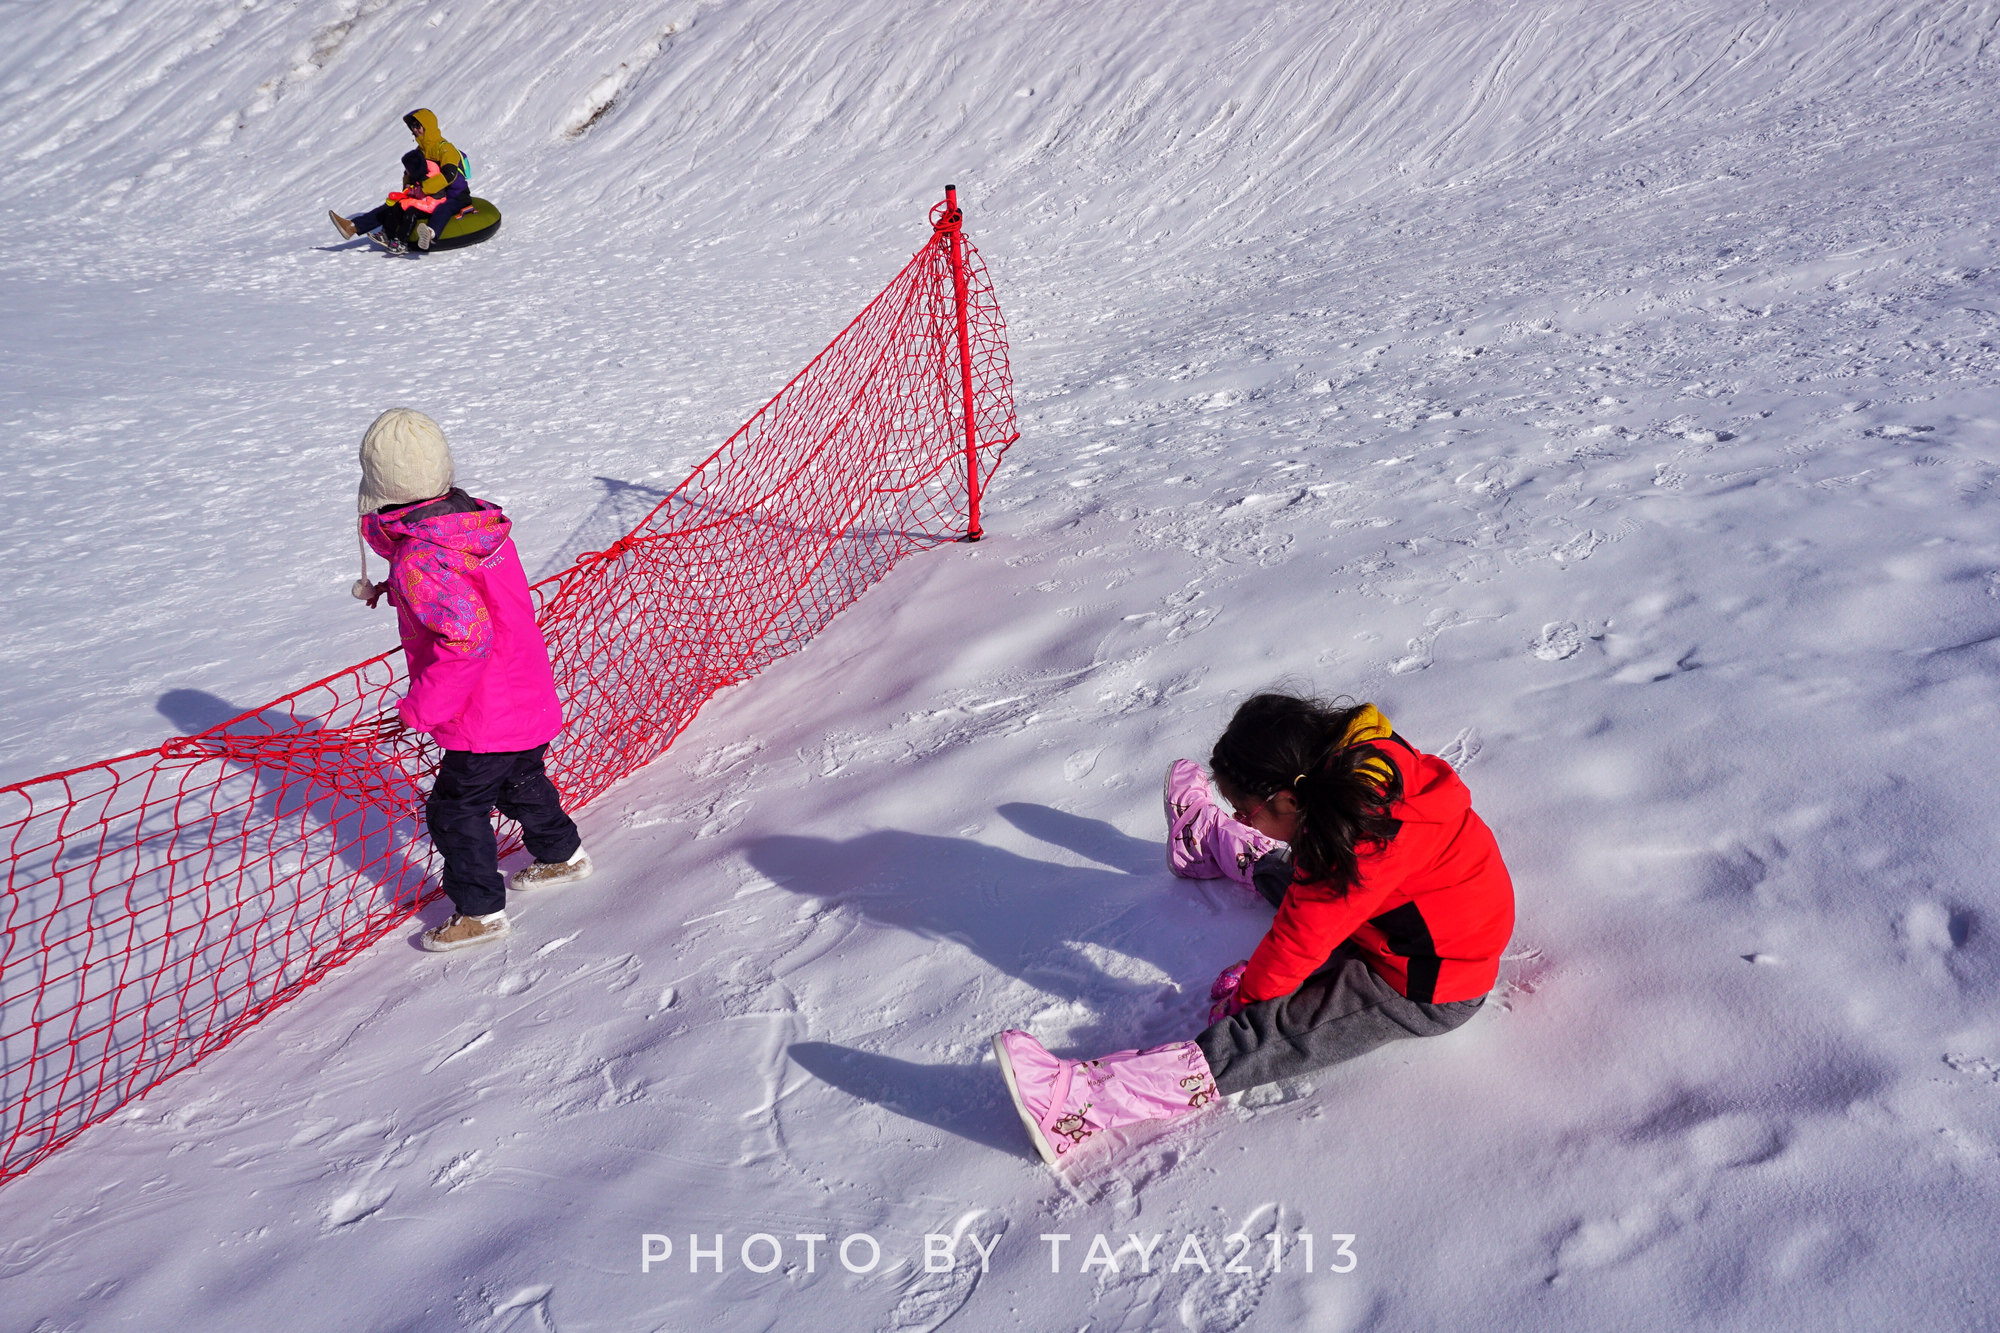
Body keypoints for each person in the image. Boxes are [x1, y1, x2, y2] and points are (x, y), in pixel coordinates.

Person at [993, 692, 1514, 1166]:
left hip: (1426, 984)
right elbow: (1317, 895)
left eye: (1244, 811)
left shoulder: (1355, 843)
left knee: (1267, 1036)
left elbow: (1298, 940)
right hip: (1392, 922)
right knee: (1297, 873)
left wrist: (1250, 997)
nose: (1246, 817)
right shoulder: (1364, 773)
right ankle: (1206, 843)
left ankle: (1074, 1105)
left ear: (1287, 798)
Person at [352, 408, 593, 951]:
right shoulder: (472, 526)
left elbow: (466, 638)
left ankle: (480, 912)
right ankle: (561, 854)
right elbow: (466, 595)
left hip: (483, 711)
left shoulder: (420, 556)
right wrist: (397, 591)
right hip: (525, 690)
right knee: (520, 779)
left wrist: (422, 708)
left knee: (453, 808)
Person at [329, 109, 471, 253]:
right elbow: (410, 174)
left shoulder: (445, 148)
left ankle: (430, 234)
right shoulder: (420, 151)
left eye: (418, 126)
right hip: (431, 194)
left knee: (443, 209)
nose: (415, 130)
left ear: (428, 126)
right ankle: (352, 227)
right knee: (393, 205)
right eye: (412, 127)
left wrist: (424, 187)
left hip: (456, 195)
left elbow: (449, 175)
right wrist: (409, 187)